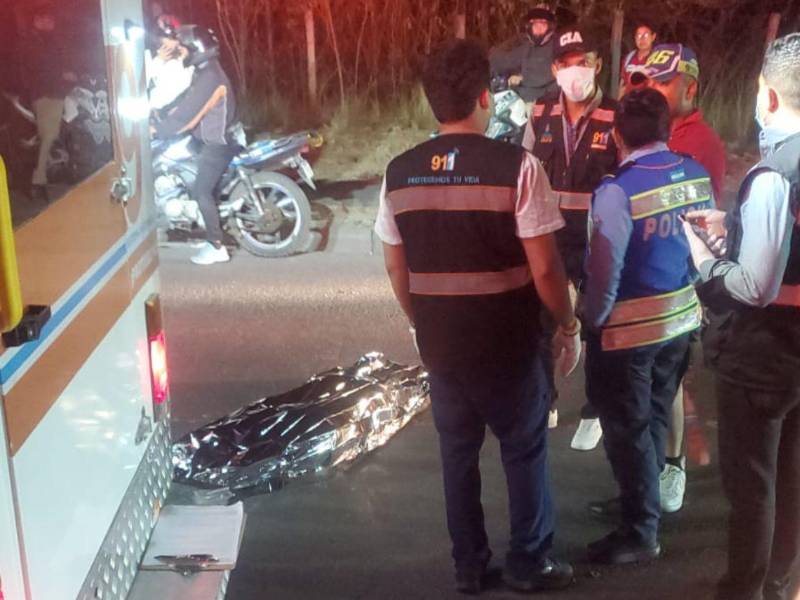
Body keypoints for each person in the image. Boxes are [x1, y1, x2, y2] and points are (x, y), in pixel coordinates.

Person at [375, 39, 580, 595]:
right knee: (524, 451)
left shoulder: (398, 174)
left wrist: (422, 323)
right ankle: (529, 562)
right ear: (485, 98)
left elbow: (396, 268)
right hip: (508, 345)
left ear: (431, 102)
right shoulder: (517, 168)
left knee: (457, 458)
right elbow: (546, 269)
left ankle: (468, 566)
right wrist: (567, 325)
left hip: (442, 349)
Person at [683, 33, 800, 600]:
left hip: (763, 355)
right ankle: (779, 581)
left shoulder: (774, 174)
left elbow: (755, 285)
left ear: (768, 96)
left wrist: (705, 261)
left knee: (752, 486)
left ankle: (744, 590)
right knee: (793, 476)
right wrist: (736, 225)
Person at [582, 88, 713, 565]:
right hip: (680, 324)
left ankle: (640, 532)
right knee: (654, 418)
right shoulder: (695, 175)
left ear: (617, 136)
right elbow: (705, 248)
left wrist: (591, 321)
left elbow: (604, 272)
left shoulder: (618, 190)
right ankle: (643, 503)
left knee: (628, 431)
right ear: (667, 129)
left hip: (628, 334)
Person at [636, 43, 726, 514]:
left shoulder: (700, 143)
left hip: (678, 279)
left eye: (664, 81)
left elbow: (700, 221)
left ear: (689, 87)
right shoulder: (657, 131)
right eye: (650, 81)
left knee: (667, 383)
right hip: (649, 279)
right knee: (652, 387)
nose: (654, 89)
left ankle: (671, 469)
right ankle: (643, 483)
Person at [521, 26, 618, 451]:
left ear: (597, 64)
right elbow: (525, 171)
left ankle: (596, 409)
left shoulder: (616, 115)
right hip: (551, 236)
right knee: (541, 322)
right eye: (567, 63)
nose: (576, 70)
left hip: (598, 240)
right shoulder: (540, 112)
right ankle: (546, 400)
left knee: (598, 325)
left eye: (584, 61)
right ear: (555, 69)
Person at [152, 26, 238, 266]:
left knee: (201, 191)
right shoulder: (206, 72)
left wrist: (158, 130)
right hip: (210, 139)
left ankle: (216, 246)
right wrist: (163, 114)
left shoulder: (210, 78)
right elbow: (185, 102)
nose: (180, 52)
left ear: (195, 49)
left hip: (216, 143)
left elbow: (188, 117)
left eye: (182, 49)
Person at [19, 3, 75, 203]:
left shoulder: (53, 41)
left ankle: (42, 177)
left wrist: (65, 76)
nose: (50, 23)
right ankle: (37, 181)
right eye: (46, 19)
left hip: (56, 92)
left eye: (51, 20)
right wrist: (60, 76)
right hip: (43, 93)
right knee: (49, 134)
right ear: (37, 21)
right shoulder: (31, 43)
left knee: (52, 133)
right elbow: (36, 69)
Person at [490, 5, 559, 105]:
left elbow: (541, 77)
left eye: (542, 24)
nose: (538, 28)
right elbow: (504, 61)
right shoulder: (526, 46)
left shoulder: (557, 46)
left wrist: (521, 79)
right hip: (522, 100)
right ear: (530, 26)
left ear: (550, 26)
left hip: (548, 100)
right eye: (535, 24)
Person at [146, 14, 194, 111]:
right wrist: (157, 61)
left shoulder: (181, 70)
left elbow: (156, 101)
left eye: (174, 37)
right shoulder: (146, 55)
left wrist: (182, 61)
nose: (177, 43)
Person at [619, 20, 657, 96]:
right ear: (635, 38)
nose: (642, 39)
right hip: (629, 100)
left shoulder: (658, 58)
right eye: (639, 36)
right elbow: (623, 84)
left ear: (653, 37)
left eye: (646, 35)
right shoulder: (629, 58)